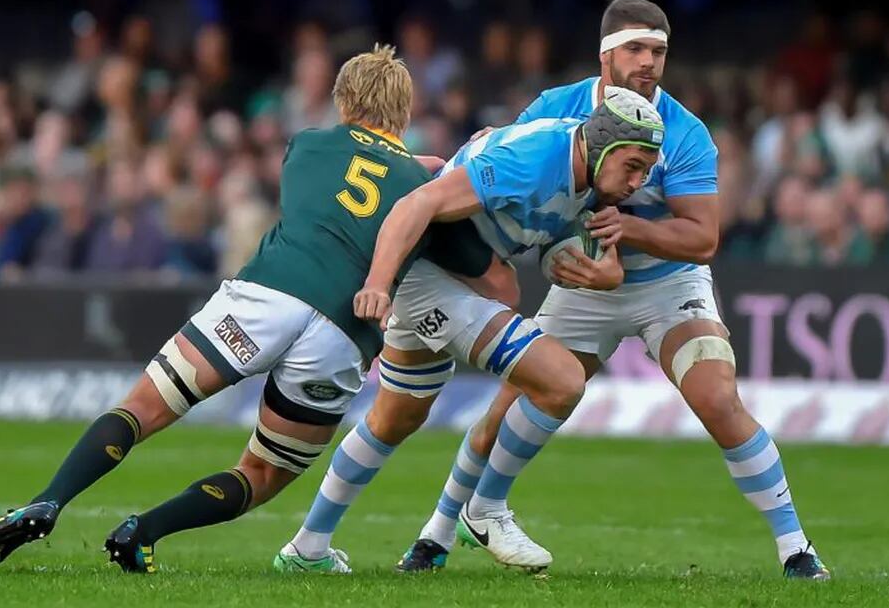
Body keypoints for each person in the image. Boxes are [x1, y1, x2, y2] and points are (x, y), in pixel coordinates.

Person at [0, 45, 496, 573]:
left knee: (144, 407)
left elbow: (347, 183)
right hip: (344, 329)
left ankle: (49, 500)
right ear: (404, 111)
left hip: (268, 293)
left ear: (343, 101)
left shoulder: (309, 145)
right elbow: (479, 267)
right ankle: (143, 531)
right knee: (262, 473)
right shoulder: (429, 186)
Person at [398, 0, 830, 581]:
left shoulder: (685, 132)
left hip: (667, 285)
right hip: (583, 288)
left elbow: (703, 239)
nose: (648, 62)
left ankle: (797, 549)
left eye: (658, 51)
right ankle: (438, 532)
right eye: (635, 49)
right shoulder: (556, 108)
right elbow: (505, 182)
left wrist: (630, 233)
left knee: (717, 397)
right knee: (508, 408)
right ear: (605, 55)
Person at [274, 86, 663, 573]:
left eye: (646, 171)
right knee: (562, 380)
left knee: (393, 418)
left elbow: (562, 249)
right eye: (633, 166)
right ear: (603, 147)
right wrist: (378, 283)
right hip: (428, 275)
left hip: (440, 274)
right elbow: (418, 204)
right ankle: (485, 510)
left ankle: (307, 550)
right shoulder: (535, 160)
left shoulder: (586, 178)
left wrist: (608, 274)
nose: (637, 182)